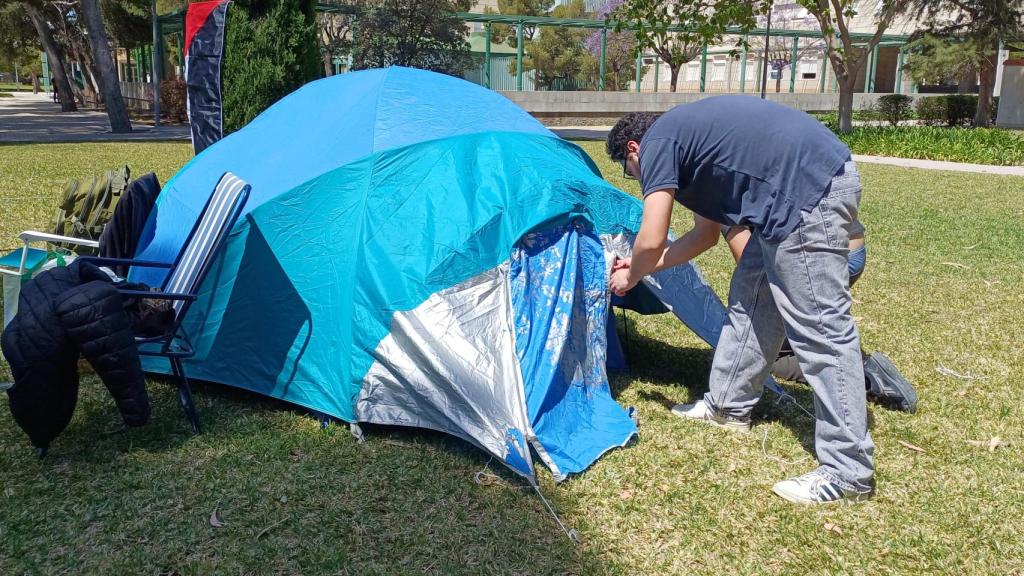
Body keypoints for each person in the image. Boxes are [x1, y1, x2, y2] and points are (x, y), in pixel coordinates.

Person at [606, 97, 874, 505]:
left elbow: (653, 235)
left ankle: (848, 472)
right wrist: (645, 266)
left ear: (633, 150)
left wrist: (634, 272)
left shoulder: (658, 141)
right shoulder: (690, 147)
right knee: (750, 302)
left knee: (822, 332)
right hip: (793, 195)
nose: (640, 180)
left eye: (633, 174)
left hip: (806, 193)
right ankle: (728, 406)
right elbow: (703, 237)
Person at [723, 224, 917, 412]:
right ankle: (846, 361)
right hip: (848, 245)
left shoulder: (721, 197)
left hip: (816, 259)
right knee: (791, 333)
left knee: (761, 353)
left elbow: (757, 273)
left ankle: (861, 375)